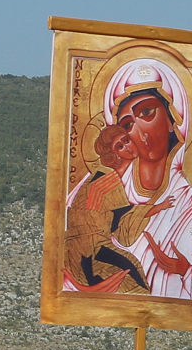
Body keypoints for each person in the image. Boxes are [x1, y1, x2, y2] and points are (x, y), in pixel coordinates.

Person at [104, 58, 192, 301]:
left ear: (171, 117)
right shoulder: (107, 192)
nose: (140, 132)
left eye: (147, 112)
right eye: (127, 125)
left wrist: (184, 271)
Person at [63, 125, 158, 294]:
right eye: (120, 146)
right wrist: (155, 209)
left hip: (88, 247)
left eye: (127, 140)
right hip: (88, 250)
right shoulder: (107, 179)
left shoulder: (109, 177)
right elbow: (122, 226)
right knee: (132, 274)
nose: (127, 147)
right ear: (113, 154)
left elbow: (116, 222)